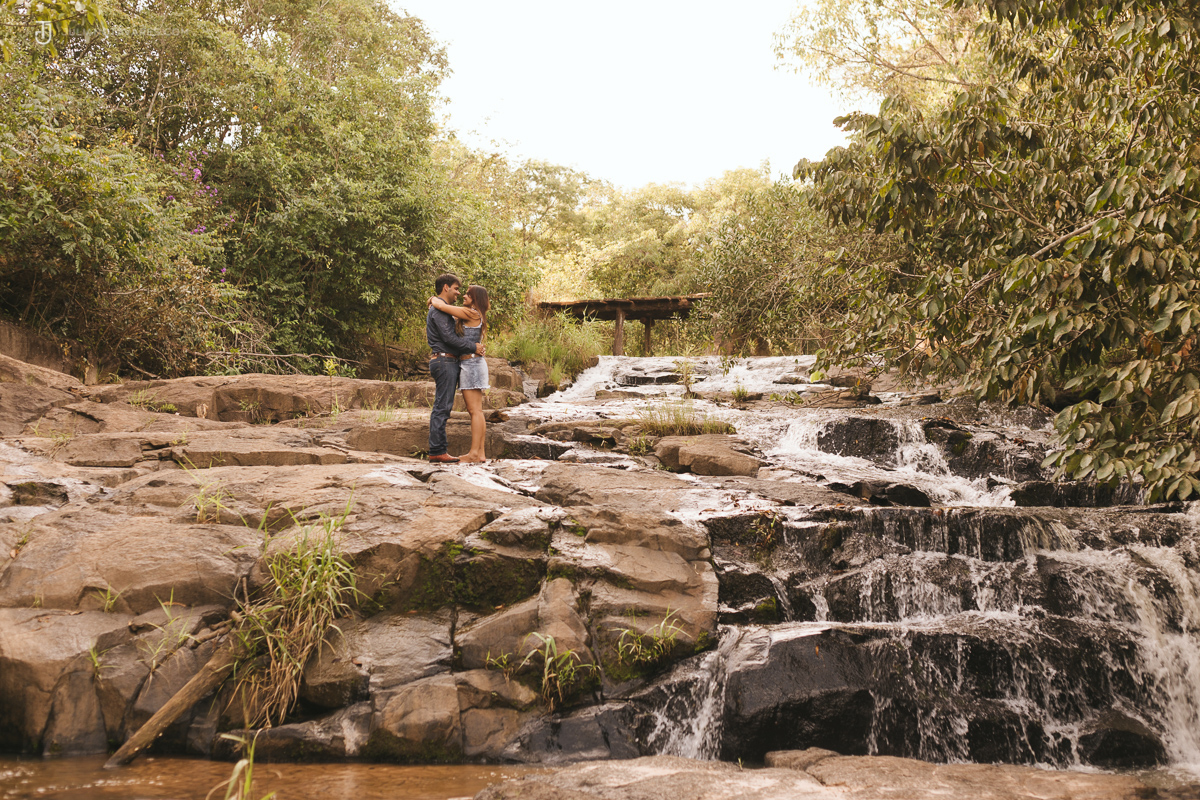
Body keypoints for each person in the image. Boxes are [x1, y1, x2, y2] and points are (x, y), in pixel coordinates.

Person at [426, 273, 484, 464]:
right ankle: (437, 450)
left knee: (469, 409)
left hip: (457, 362)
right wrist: (473, 346)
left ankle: (477, 453)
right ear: (446, 287)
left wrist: (435, 301)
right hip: (444, 361)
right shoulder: (439, 311)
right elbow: (450, 339)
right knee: (443, 407)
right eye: (457, 289)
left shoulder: (450, 310)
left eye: (465, 292)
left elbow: (447, 311)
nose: (460, 293)